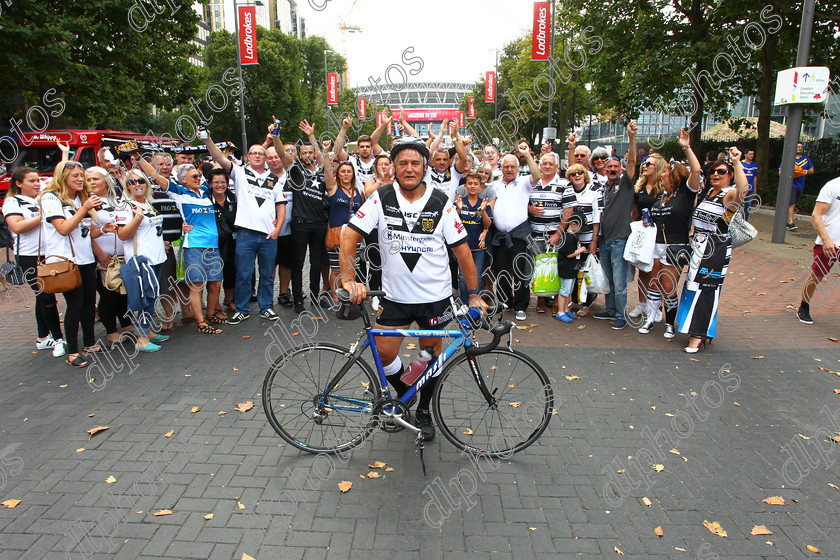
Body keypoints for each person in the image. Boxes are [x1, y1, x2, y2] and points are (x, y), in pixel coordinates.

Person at [339, 136, 486, 442]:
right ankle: (407, 392)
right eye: (402, 163)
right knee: (383, 351)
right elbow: (348, 236)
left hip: (435, 299)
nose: (409, 169)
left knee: (431, 357)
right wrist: (348, 277)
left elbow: (463, 253)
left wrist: (473, 294)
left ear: (425, 166)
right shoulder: (380, 197)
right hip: (395, 297)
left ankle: (423, 412)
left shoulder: (441, 202)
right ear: (393, 167)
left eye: (415, 163)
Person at [203, 132, 286, 323]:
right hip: (245, 235)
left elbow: (281, 206)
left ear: (265, 157)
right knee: (243, 274)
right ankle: (242, 308)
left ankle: (266, 307)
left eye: (260, 153)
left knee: (267, 274)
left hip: (268, 236)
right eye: (253, 153)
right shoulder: (239, 172)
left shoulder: (274, 179)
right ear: (248, 157)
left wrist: (277, 230)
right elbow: (218, 157)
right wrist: (207, 139)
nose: (257, 155)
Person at [676, 147, 748, 353]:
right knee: (692, 287)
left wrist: (736, 162)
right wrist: (687, 147)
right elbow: (695, 171)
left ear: (730, 176)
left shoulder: (729, 195)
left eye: (722, 172)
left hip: (715, 249)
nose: (716, 174)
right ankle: (695, 328)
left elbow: (744, 191)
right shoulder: (708, 193)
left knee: (706, 290)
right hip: (699, 248)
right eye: (714, 172)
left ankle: (698, 335)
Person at [39, 161, 104, 367]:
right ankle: (72, 352)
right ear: (62, 177)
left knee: (88, 303)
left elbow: (86, 232)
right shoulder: (51, 198)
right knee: (75, 305)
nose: (80, 179)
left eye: (81, 175)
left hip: (86, 259)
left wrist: (104, 229)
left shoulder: (81, 198)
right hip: (66, 261)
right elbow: (64, 228)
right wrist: (84, 208)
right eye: (75, 175)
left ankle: (90, 343)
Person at [645, 130, 701, 338]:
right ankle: (650, 318)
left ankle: (670, 323)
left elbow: (696, 171)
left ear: (674, 174)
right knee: (653, 282)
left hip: (675, 246)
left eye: (666, 171)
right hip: (656, 245)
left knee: (668, 286)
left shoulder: (686, 193)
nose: (662, 174)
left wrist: (686, 147)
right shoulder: (662, 196)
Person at [2, 167, 64, 353]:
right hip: (30, 256)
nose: (37, 184)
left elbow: (59, 179)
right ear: (19, 184)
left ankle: (43, 337)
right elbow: (17, 226)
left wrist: (63, 154)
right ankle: (58, 339)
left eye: (38, 180)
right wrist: (42, 217)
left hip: (49, 253)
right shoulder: (12, 202)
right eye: (31, 181)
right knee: (46, 296)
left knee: (42, 296)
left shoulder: (41, 198)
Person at [162, 164, 227, 334]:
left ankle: (210, 315)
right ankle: (201, 322)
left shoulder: (206, 190)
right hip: (194, 246)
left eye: (199, 176)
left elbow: (219, 162)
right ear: (183, 180)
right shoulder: (180, 193)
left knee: (215, 284)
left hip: (213, 246)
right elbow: (157, 178)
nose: (199, 179)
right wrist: (139, 158)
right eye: (194, 177)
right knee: (196, 285)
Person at [272, 125, 327, 314]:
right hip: (300, 225)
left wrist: (312, 136)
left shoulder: (322, 170)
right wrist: (276, 136)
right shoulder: (295, 170)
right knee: (297, 264)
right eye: (304, 153)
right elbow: (281, 153)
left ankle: (314, 297)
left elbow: (321, 156)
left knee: (316, 264)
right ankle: (298, 300)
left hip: (319, 225)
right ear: (299, 155)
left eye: (310, 152)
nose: (308, 156)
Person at [593, 121, 638, 329]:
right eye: (609, 167)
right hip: (605, 240)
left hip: (620, 240)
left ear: (620, 169)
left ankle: (621, 314)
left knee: (620, 282)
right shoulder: (605, 187)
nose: (612, 169)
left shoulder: (626, 184)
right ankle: (610, 310)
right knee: (609, 279)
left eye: (615, 167)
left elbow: (633, 161)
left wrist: (631, 137)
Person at [489, 148, 541, 321]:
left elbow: (537, 175)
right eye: (506, 167)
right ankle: (505, 302)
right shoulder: (495, 185)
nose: (510, 170)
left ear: (518, 168)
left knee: (520, 272)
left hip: (519, 236)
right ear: (501, 168)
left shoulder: (525, 183)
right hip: (500, 236)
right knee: (501, 271)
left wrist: (526, 155)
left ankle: (521, 306)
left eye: (513, 166)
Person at [86, 166, 133, 349]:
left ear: (106, 180)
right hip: (104, 257)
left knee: (122, 292)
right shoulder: (87, 202)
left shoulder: (118, 200)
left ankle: (127, 323)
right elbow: (85, 232)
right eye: (88, 180)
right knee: (107, 294)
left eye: (95, 179)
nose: (92, 183)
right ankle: (111, 331)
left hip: (123, 254)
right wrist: (98, 253)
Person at [554, 162, 601, 316]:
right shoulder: (566, 191)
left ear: (585, 174)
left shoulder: (594, 191)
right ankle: (573, 301)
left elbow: (596, 218)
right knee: (572, 271)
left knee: (586, 272)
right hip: (571, 238)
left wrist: (594, 240)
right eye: (573, 174)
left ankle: (586, 303)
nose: (576, 176)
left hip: (587, 238)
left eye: (579, 173)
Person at [629, 152, 668, 325]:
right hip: (644, 233)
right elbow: (635, 211)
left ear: (658, 167)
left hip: (659, 234)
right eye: (644, 163)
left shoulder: (664, 188)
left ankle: (656, 307)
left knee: (656, 272)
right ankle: (642, 304)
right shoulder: (640, 187)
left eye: (648, 164)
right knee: (643, 270)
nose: (644, 166)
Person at [528, 148, 568, 313]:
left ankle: (557, 303)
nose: (547, 166)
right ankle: (541, 300)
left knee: (556, 268)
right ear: (539, 165)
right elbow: (521, 202)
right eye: (544, 163)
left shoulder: (564, 184)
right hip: (535, 233)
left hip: (555, 234)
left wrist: (558, 233)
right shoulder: (532, 183)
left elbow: (569, 210)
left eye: (551, 164)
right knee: (540, 268)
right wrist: (529, 209)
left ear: (556, 166)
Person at [796, 176, 840, 325]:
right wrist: (826, 240)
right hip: (828, 242)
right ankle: (804, 306)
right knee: (817, 276)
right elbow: (816, 215)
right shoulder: (832, 186)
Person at [324, 154, 363, 300]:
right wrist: (325, 153)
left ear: (353, 174)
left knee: (351, 267)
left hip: (353, 235)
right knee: (336, 269)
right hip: (336, 234)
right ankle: (335, 297)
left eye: (349, 171)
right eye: (343, 171)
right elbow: (327, 172)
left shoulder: (359, 192)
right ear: (338, 174)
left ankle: (349, 294)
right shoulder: (333, 188)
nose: (346, 174)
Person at [456, 172, 493, 303]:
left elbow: (488, 224)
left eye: (475, 184)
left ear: (480, 186)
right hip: (463, 247)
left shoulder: (484, 204)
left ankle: (475, 304)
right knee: (462, 277)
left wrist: (483, 211)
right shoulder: (460, 202)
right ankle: (465, 303)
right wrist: (459, 210)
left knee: (477, 275)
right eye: (470, 183)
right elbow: (453, 223)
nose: (472, 186)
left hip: (478, 246)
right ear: (465, 186)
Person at [210, 168, 237, 313]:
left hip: (232, 241)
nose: (220, 185)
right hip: (213, 243)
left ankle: (228, 299)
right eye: (216, 182)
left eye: (223, 182)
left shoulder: (234, 199)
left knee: (231, 271)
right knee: (214, 273)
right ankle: (214, 304)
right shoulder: (205, 201)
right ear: (210, 184)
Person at [554, 209, 587, 322]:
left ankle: (566, 309)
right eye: (581, 227)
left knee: (569, 290)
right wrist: (581, 250)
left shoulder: (573, 237)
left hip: (572, 268)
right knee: (564, 290)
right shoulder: (567, 237)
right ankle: (560, 311)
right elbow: (569, 254)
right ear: (574, 224)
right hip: (566, 268)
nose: (582, 231)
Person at [783, 141, 814, 231]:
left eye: (801, 147)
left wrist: (806, 171)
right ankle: (791, 223)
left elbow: (812, 170)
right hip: (791, 184)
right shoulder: (789, 159)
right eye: (798, 147)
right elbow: (780, 172)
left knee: (793, 204)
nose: (799, 148)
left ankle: (785, 221)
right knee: (792, 204)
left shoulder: (805, 159)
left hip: (800, 185)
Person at [741, 149, 758, 221]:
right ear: (745, 154)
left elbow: (755, 177)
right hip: (742, 189)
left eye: (753, 154)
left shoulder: (754, 165)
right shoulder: (741, 164)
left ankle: (745, 221)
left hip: (750, 189)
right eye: (750, 154)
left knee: (748, 206)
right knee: (739, 205)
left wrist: (755, 189)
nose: (752, 156)